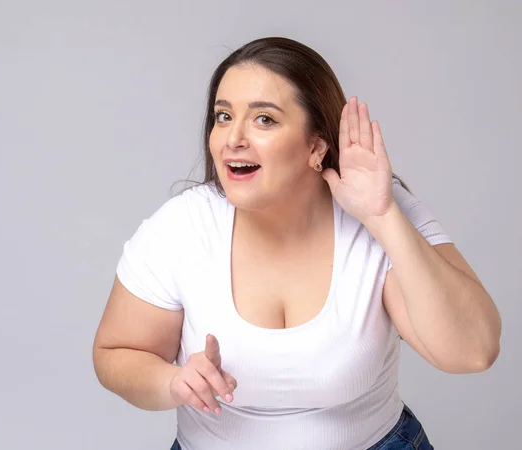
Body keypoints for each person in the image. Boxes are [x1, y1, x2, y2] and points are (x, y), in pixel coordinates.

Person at [92, 37, 501, 450]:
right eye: (222, 116)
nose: (232, 138)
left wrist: (383, 218)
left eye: (264, 120)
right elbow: (115, 353)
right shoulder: (183, 227)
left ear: (317, 145)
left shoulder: (379, 209)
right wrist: (173, 382)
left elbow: (472, 352)